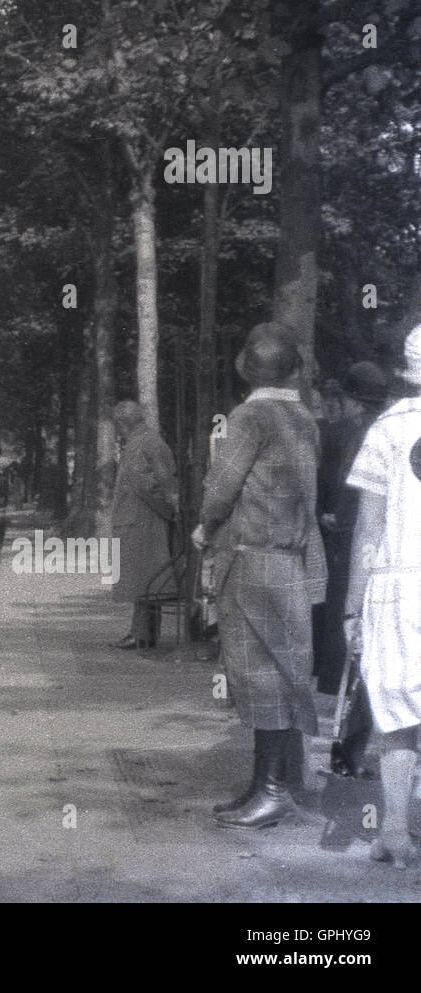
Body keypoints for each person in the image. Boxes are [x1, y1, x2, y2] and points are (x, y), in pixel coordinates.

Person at [192, 322, 326, 830]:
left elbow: (222, 486)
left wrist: (205, 526)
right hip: (290, 562)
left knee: (259, 678)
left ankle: (269, 792)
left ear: (245, 366)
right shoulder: (303, 417)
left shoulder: (248, 417)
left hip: (251, 561)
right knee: (285, 674)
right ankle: (270, 786)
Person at [343, 326, 421, 867]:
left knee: (397, 713)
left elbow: (367, 529)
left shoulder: (386, 429)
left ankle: (395, 832)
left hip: (398, 587)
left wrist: (352, 604)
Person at [314, 361, 389, 775]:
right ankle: (355, 752)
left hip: (356, 555)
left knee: (355, 656)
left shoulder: (351, 435)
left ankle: (348, 752)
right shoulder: (396, 430)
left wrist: (332, 520)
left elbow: (345, 501)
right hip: (395, 557)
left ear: (349, 399)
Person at [109, 400, 179, 648]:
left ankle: (142, 635)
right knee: (145, 581)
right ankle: (141, 633)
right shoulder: (146, 441)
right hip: (143, 519)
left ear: (121, 423)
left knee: (145, 580)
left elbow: (147, 485)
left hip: (142, 521)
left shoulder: (139, 444)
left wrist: (169, 511)